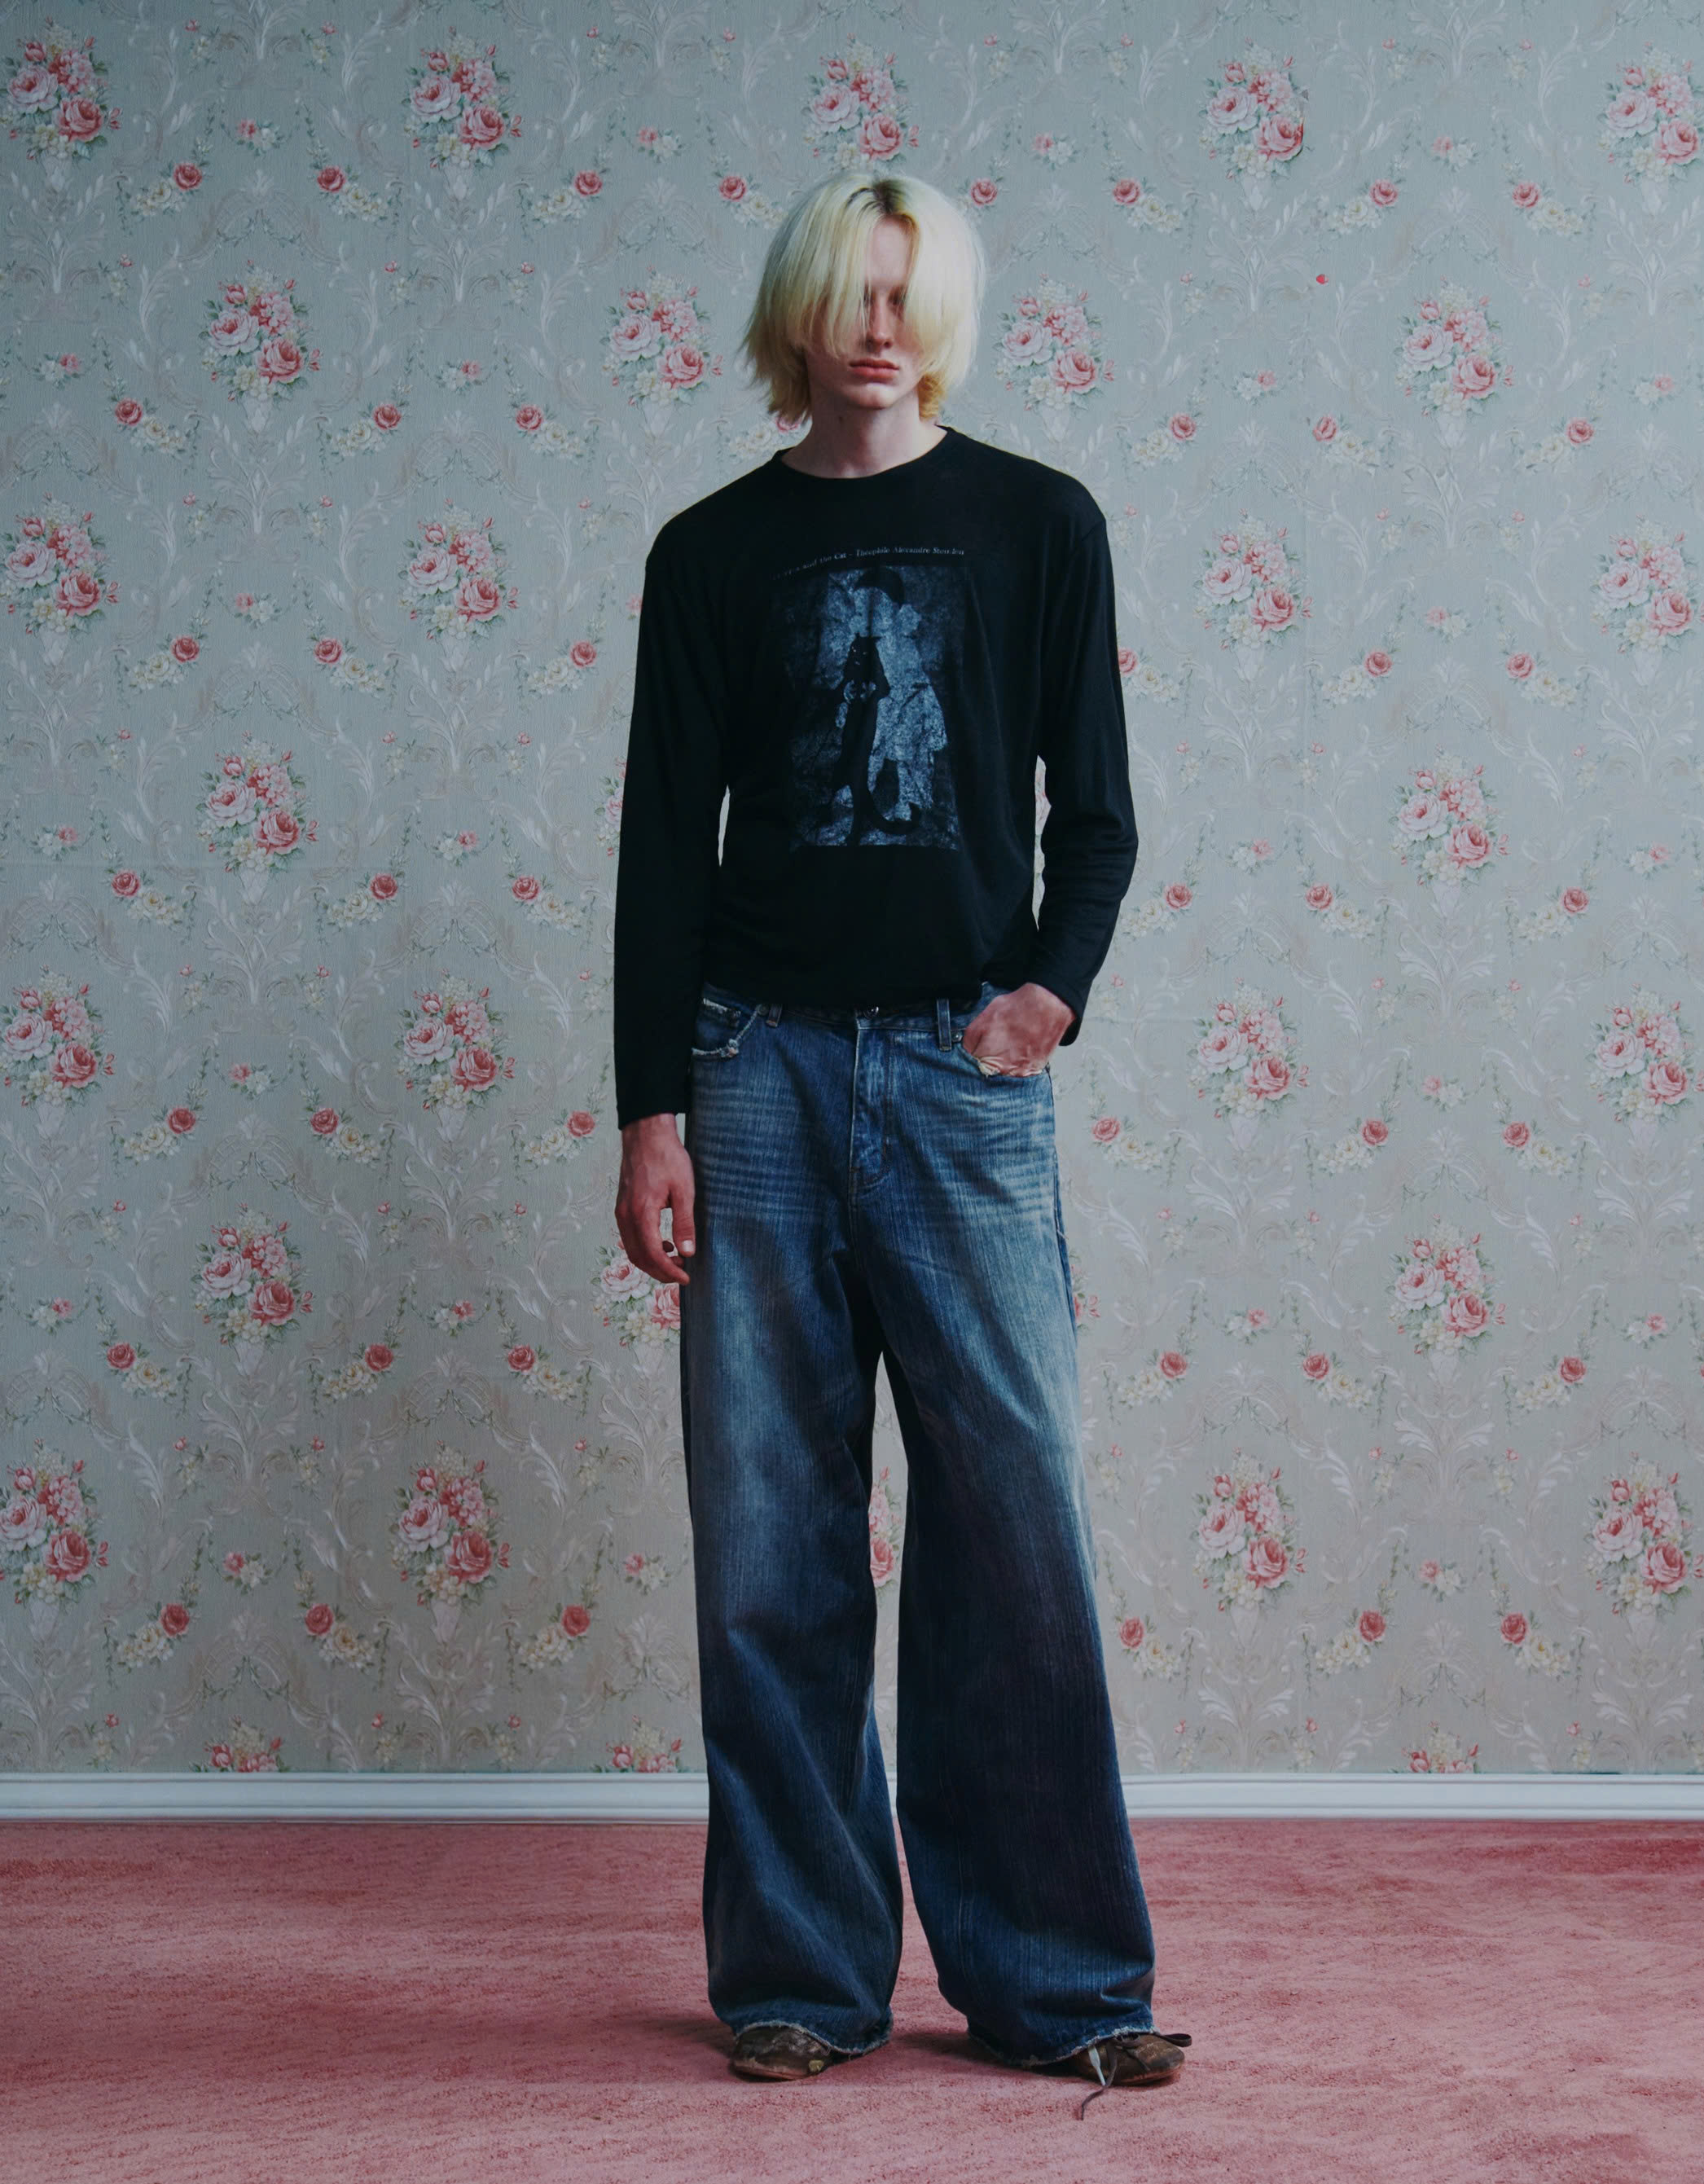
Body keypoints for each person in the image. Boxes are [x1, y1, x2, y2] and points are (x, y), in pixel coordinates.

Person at [612, 169, 1187, 2098]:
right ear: (799, 310)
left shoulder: (1039, 524)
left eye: (906, 293)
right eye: (849, 292)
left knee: (1011, 1517)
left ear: (943, 315)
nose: (878, 325)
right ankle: (799, 1975)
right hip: (752, 1072)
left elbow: (1095, 814)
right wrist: (651, 1111)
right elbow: (661, 851)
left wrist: (1049, 992)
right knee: (769, 1537)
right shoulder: (710, 551)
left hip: (958, 1082)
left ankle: (1060, 1986)